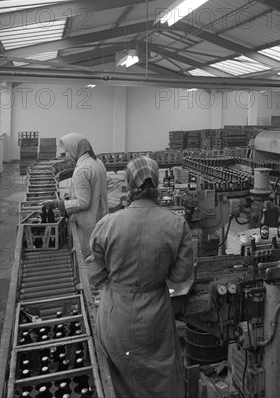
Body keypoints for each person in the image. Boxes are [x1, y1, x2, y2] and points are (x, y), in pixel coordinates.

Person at [89, 156, 193, 398]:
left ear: (128, 183)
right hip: (155, 318)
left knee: (121, 381)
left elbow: (95, 276)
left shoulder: (107, 224)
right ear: (156, 182)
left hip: (117, 318)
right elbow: (180, 276)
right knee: (161, 377)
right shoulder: (176, 224)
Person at [43, 133, 108, 258]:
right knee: (99, 253)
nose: (67, 156)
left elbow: (83, 202)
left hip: (87, 223)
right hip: (101, 217)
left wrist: (59, 204)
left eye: (67, 151)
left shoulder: (81, 170)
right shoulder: (98, 162)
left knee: (85, 257)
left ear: (74, 148)